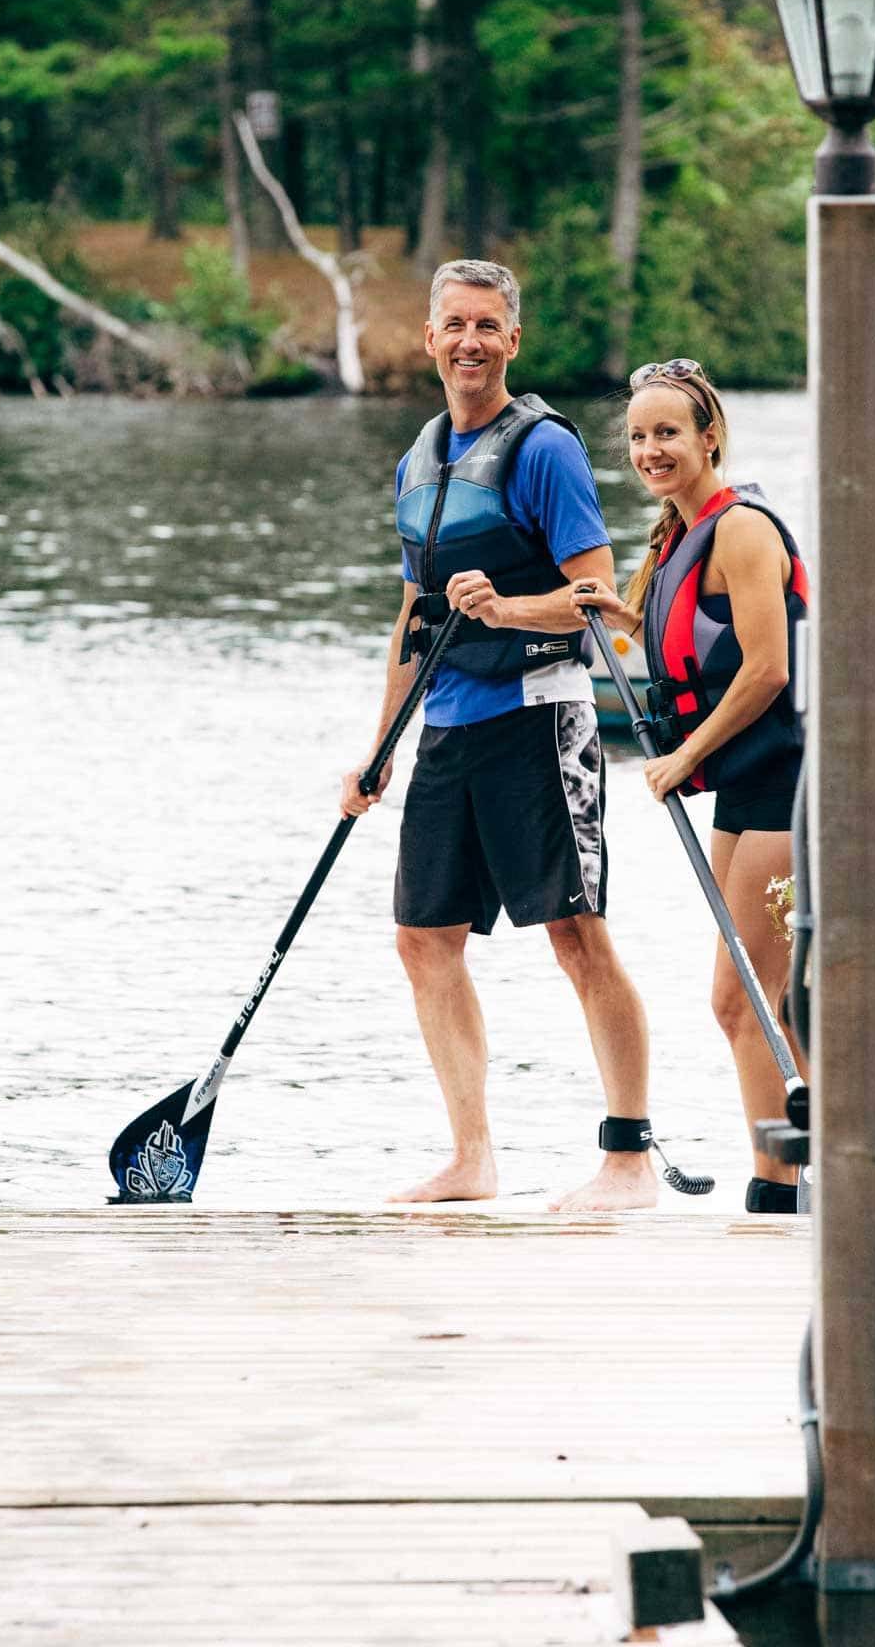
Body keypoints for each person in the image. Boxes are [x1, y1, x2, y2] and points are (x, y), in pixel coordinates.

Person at [341, 259, 658, 1212]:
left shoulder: (545, 449)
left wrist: (511, 608)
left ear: (511, 342)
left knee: (574, 933)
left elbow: (602, 600)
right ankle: (471, 1158)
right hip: (445, 726)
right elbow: (413, 615)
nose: (470, 341)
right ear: (430, 339)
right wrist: (380, 744)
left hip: (538, 717)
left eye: (488, 325)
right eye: (455, 325)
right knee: (422, 938)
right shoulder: (420, 455)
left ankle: (629, 1161)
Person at [569, 359, 807, 1214]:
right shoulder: (678, 532)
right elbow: (703, 643)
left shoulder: (741, 528)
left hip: (785, 782)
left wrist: (681, 756)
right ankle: (793, 1178)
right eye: (636, 436)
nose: (649, 450)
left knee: (753, 1000)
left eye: (667, 433)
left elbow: (769, 670)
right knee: (743, 1000)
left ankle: (785, 1188)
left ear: (710, 436)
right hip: (746, 789)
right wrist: (632, 617)